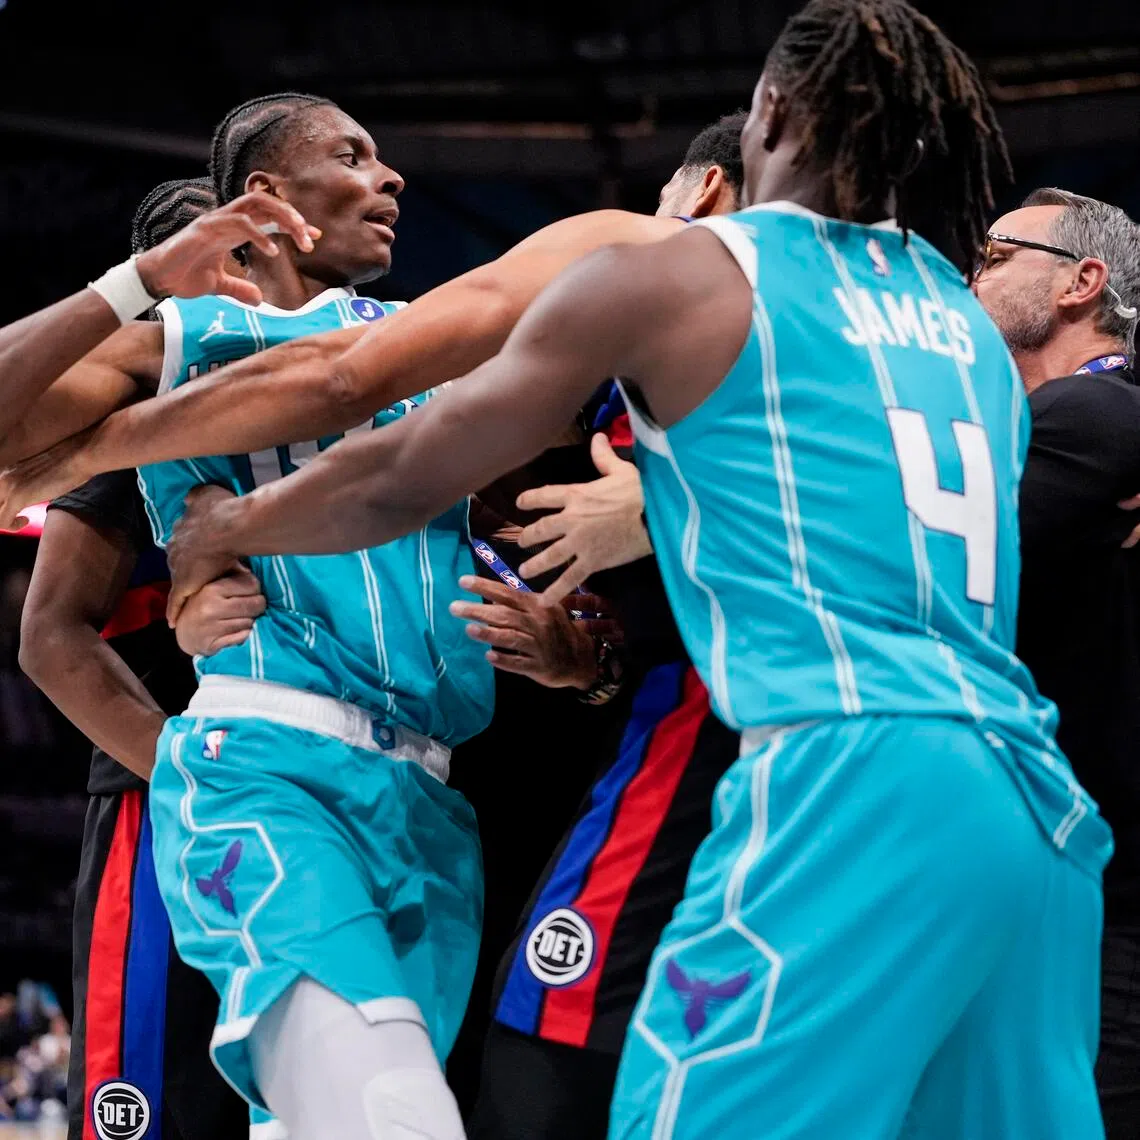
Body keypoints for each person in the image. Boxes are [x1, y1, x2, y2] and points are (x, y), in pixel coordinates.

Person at [146, 2, 1113, 1136]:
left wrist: (225, 530)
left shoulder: (693, 270)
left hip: (844, 771)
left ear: (772, 115)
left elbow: (391, 462)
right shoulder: (960, 322)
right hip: (1032, 804)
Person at [8, 90, 494, 1140]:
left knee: (323, 1118)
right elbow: (48, 635)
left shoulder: (410, 338)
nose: (392, 176)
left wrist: (571, 635)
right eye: (354, 155)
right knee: (385, 1117)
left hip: (426, 799)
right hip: (258, 763)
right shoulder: (182, 346)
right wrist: (180, 752)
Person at [465, 114, 745, 1140]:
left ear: (705, 190)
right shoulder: (639, 379)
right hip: (682, 729)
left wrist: (660, 509)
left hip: (731, 731)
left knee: (545, 1053)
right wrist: (582, 660)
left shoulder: (661, 267)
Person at [18, 178, 266, 1140]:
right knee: (156, 1113)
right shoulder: (138, 428)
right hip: (166, 807)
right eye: (230, 263)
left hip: (335, 794)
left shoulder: (338, 395)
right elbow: (50, 638)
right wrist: (186, 775)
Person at [972, 186, 1140, 1139]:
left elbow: (909, 562)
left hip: (1101, 926)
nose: (972, 274)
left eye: (997, 253)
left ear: (1083, 282)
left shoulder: (1089, 416)